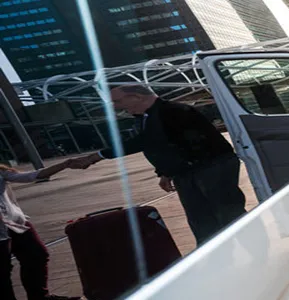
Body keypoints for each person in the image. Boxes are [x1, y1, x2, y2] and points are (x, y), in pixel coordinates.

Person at [73, 85, 247, 246]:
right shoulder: (147, 116)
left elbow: (149, 141)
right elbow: (163, 146)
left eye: (117, 101)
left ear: (136, 97)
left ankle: (254, 245)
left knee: (227, 211)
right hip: (188, 171)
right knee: (200, 217)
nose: (115, 106)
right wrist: (165, 172)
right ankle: (214, 255)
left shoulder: (173, 111)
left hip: (209, 167)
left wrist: (98, 155)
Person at [1, 160, 82, 300]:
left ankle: (40, 297)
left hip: (17, 223)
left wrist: (65, 164)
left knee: (37, 256)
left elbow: (33, 175)